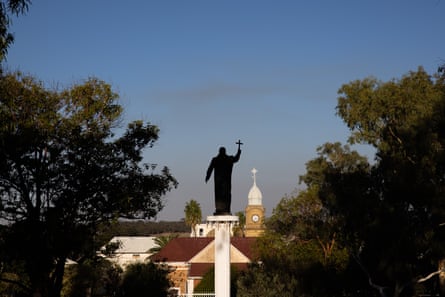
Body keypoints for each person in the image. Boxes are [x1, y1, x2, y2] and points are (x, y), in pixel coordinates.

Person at [205, 144, 241, 215]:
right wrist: (238, 152)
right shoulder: (226, 159)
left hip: (222, 181)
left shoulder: (217, 159)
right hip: (223, 181)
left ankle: (222, 209)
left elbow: (210, 169)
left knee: (222, 195)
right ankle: (222, 209)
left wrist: (207, 176)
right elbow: (236, 159)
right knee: (223, 195)